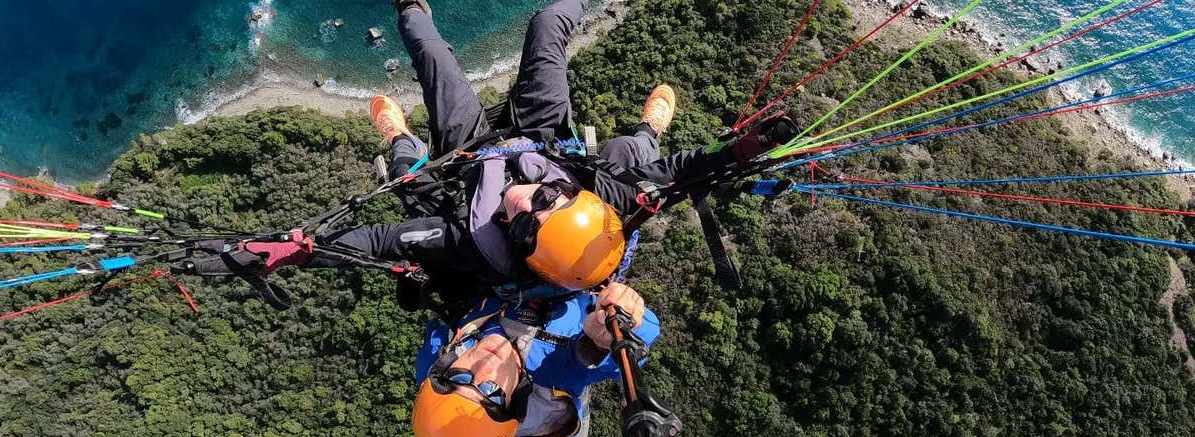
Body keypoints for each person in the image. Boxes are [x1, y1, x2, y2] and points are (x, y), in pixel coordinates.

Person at [184, 0, 798, 303]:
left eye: (524, 225)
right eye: (548, 202)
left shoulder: (469, 243)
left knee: (431, 61)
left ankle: (399, 115)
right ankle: (650, 127)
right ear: (572, 198)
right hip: (544, 138)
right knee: (553, 34)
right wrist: (747, 145)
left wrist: (265, 254)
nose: (525, 203)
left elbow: (371, 244)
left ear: (520, 249)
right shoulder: (602, 201)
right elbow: (683, 174)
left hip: (468, 159)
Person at [413, 281, 658, 437]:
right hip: (579, 280)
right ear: (516, 400)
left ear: (447, 368)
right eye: (491, 391)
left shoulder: (436, 364)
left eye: (460, 378)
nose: (484, 368)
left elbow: (438, 325)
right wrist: (617, 326)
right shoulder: (558, 372)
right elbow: (627, 355)